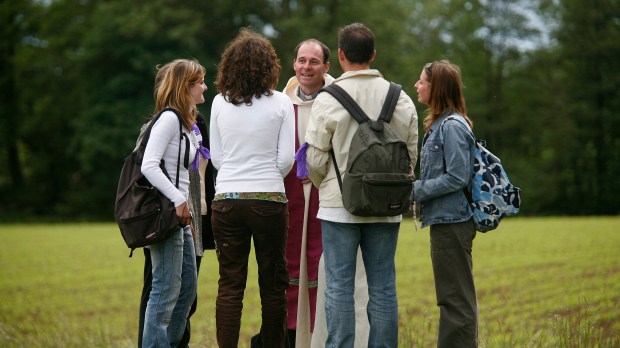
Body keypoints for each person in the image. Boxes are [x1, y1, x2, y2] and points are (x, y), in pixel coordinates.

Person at [304, 23, 418, 347]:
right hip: (387, 208)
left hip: (339, 207)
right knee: (383, 285)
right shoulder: (401, 98)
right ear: (374, 54)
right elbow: (410, 156)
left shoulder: (328, 99)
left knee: (338, 286)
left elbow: (313, 159)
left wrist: (327, 186)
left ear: (339, 56)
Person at [210, 28, 295, 348]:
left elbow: (217, 157)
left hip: (227, 200)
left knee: (230, 283)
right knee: (273, 284)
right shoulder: (281, 103)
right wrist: (268, 179)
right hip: (269, 200)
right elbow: (286, 158)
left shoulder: (219, 102)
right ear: (269, 66)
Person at [137, 63, 215, 348]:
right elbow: (148, 165)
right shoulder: (168, 119)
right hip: (168, 215)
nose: (205, 87)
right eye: (201, 82)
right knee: (164, 292)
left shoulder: (188, 123)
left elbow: (192, 173)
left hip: (184, 217)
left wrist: (193, 210)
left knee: (186, 292)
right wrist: (180, 200)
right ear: (186, 86)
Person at [411, 60, 478, 347]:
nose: (417, 85)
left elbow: (457, 177)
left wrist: (415, 190)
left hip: (452, 222)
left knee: (455, 301)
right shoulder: (440, 124)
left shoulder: (451, 126)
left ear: (436, 88)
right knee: (451, 298)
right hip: (445, 221)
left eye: (422, 81)